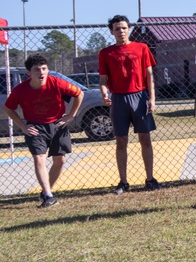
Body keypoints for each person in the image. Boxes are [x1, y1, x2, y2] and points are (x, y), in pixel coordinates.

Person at [4, 54, 83, 207]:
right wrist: (22, 126)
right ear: (28, 72)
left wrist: (71, 115)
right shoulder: (20, 89)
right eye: (36, 70)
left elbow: (79, 93)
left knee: (60, 161)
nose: (41, 73)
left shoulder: (57, 83)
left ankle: (46, 191)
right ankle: (48, 196)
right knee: (38, 158)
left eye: (44, 69)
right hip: (35, 127)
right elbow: (8, 108)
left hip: (58, 124)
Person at [99, 14, 160, 193]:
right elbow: (103, 79)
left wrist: (152, 98)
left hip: (139, 97)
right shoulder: (106, 53)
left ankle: (150, 178)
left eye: (124, 28)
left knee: (145, 139)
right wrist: (104, 94)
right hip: (118, 99)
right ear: (112, 32)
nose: (121, 31)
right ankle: (123, 182)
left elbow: (149, 75)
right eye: (117, 29)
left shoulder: (141, 48)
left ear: (129, 29)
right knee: (121, 141)